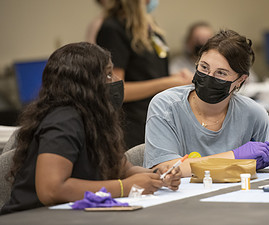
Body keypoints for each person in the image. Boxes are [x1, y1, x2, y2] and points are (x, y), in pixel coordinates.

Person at [0, 42, 181, 215]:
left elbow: (122, 169)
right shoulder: (63, 121)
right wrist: (125, 187)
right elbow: (52, 190)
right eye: (108, 75)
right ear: (85, 85)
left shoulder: (96, 119)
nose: (117, 81)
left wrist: (157, 177)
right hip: (34, 217)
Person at [144, 30, 269, 177]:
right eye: (204, 67)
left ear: (240, 80)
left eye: (221, 73)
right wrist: (234, 157)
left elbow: (256, 174)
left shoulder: (254, 115)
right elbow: (164, 170)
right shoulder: (165, 106)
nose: (209, 77)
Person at [96, 0, 193, 149]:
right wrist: (168, 82)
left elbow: (149, 71)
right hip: (133, 125)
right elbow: (116, 91)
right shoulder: (113, 29)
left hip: (157, 117)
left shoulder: (148, 27)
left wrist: (177, 77)